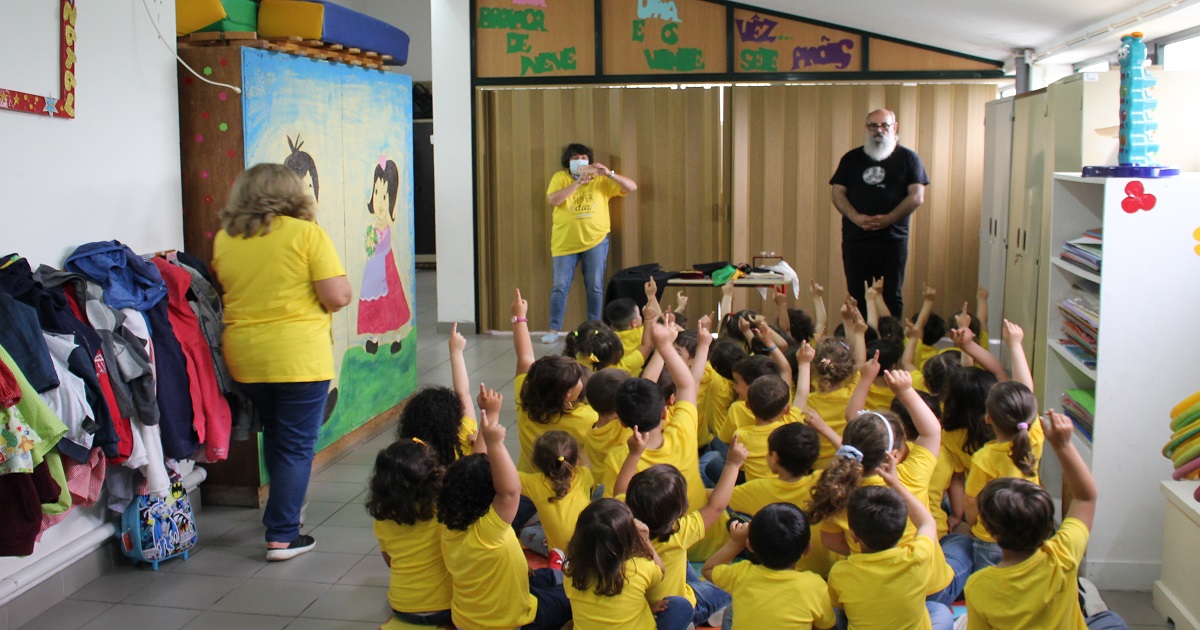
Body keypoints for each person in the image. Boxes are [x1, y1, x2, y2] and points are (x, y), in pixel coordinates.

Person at [211, 163, 351, 561]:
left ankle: (284, 513)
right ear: (292, 194)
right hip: (297, 358)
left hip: (245, 357)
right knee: (295, 446)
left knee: (276, 435)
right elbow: (337, 296)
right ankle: (283, 534)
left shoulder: (226, 239)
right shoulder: (307, 234)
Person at [964, 411, 1130, 630]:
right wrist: (1063, 446)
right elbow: (1085, 497)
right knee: (1112, 620)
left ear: (990, 530)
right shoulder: (1063, 554)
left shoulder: (978, 585)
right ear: (1048, 527)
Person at [439, 388, 572, 630]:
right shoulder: (489, 532)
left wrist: (490, 418)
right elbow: (510, 491)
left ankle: (553, 570)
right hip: (513, 624)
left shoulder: (450, 528)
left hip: (467, 621)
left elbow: (475, 465)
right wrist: (496, 443)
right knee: (571, 596)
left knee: (541, 579)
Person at [830, 109, 929, 317]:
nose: (879, 130)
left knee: (891, 295)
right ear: (866, 129)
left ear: (895, 127)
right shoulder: (851, 158)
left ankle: (890, 346)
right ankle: (860, 344)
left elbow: (917, 196)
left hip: (892, 239)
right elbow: (837, 193)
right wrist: (856, 217)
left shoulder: (908, 158)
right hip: (856, 238)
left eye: (884, 125)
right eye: (873, 126)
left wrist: (890, 219)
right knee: (857, 294)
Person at [543, 143, 638, 344]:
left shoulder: (600, 180)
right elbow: (554, 200)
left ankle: (595, 328)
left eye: (584, 158)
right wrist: (578, 183)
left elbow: (631, 187)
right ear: (568, 162)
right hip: (564, 243)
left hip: (596, 241)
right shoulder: (559, 178)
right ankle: (553, 329)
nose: (580, 161)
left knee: (594, 286)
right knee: (560, 286)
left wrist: (609, 173)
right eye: (575, 158)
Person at [564, 498, 694, 630]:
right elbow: (661, 571)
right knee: (680, 606)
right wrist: (645, 540)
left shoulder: (571, 573)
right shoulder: (637, 567)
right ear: (626, 538)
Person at [703, 503, 836, 630]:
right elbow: (825, 626)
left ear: (749, 546)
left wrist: (736, 543)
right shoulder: (815, 586)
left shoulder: (741, 574)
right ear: (807, 549)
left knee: (730, 612)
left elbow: (708, 569)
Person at [367, 440, 452, 625]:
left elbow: (389, 560)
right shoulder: (444, 508)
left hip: (402, 607)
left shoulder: (383, 517)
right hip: (449, 605)